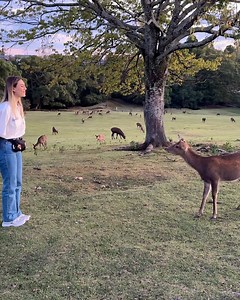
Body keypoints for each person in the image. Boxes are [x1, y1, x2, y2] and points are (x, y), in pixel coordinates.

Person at [0, 76, 30, 227]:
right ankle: (8, 218)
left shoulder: (18, 106)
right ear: (13, 88)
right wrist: (11, 142)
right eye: (22, 86)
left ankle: (16, 213)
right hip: (6, 147)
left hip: (16, 145)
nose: (25, 88)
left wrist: (19, 142)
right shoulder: (5, 108)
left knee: (17, 182)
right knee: (10, 184)